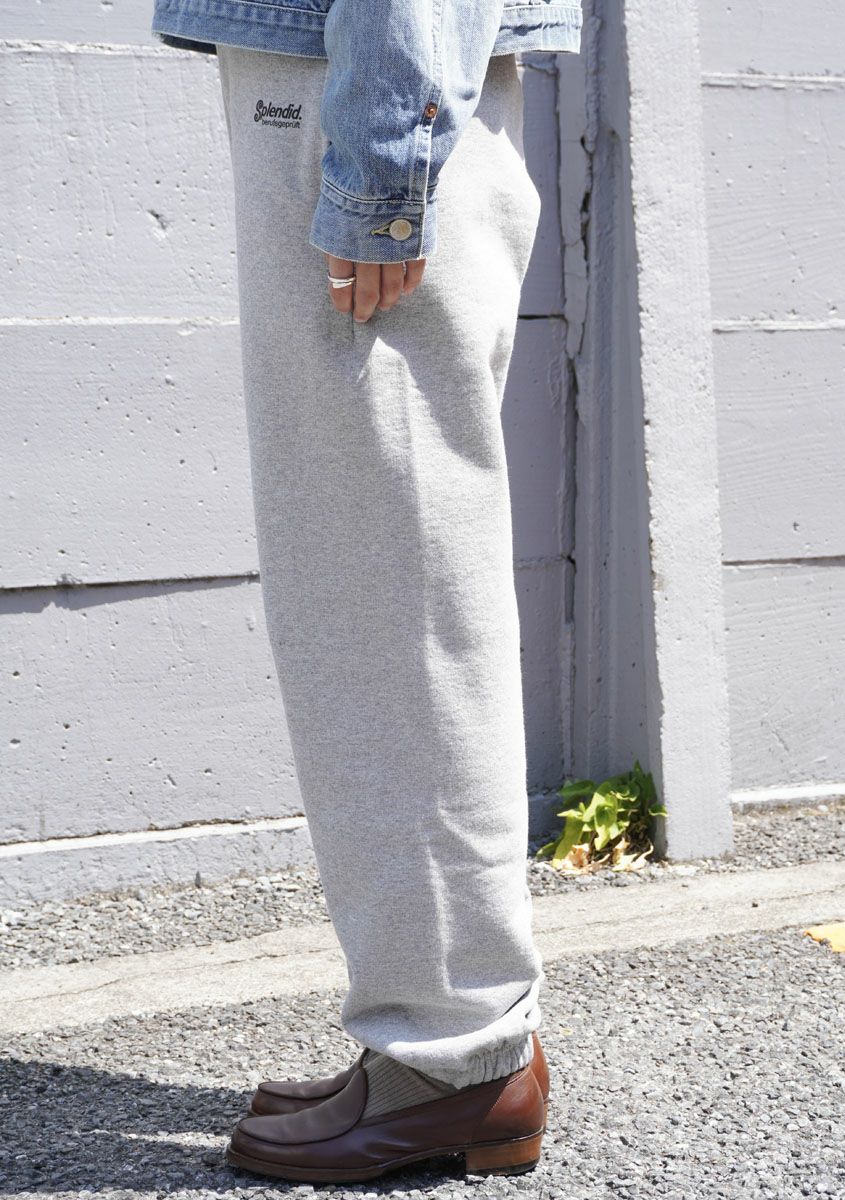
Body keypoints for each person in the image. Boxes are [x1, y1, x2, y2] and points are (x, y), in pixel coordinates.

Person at [150, 0, 582, 1183]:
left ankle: (456, 1056)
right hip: (362, 78)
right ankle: (443, 1037)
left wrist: (384, 165)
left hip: (367, 80)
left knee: (386, 598)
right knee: (387, 582)